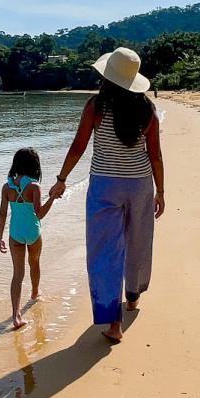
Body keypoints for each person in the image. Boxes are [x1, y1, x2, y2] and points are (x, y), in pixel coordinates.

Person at [48, 47, 164, 344]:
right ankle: (133, 297)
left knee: (104, 252)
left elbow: (78, 146)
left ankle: (114, 323)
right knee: (139, 241)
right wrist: (160, 191)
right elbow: (156, 156)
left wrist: (62, 179)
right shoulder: (147, 110)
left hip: (104, 187)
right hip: (140, 185)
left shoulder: (96, 107)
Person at [0, 147, 56, 330]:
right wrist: (52, 197)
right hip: (33, 233)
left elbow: (2, 214)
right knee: (35, 263)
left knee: (17, 274)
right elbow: (39, 214)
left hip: (15, 235)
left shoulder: (7, 187)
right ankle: (35, 294)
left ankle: (16, 316)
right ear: (34, 165)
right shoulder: (34, 187)